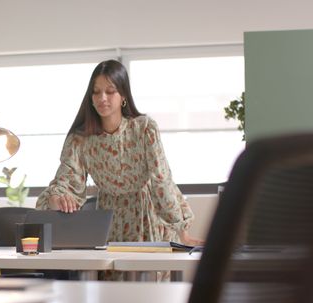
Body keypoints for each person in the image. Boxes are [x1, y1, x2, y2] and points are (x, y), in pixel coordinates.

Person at [36, 60, 202, 280]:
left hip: (148, 219)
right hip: (109, 223)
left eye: (110, 91)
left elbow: (161, 180)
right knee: (113, 299)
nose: (102, 98)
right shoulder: (81, 139)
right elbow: (67, 180)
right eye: (96, 92)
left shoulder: (144, 128)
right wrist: (58, 198)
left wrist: (181, 230)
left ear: (123, 95)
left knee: (149, 298)